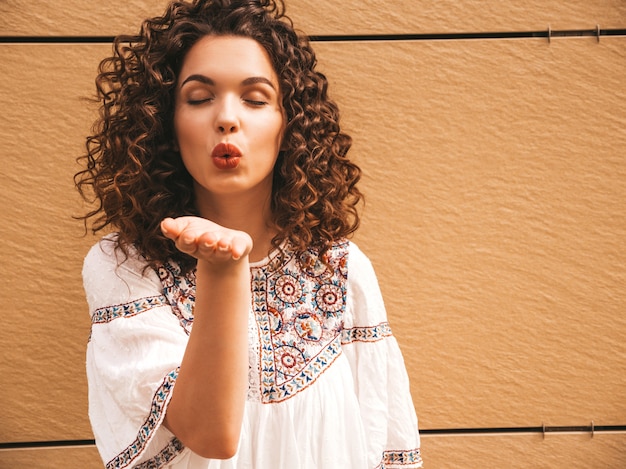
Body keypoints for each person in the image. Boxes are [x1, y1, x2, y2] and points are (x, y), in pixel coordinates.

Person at [75, 0, 422, 467]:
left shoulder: (341, 268)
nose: (227, 118)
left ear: (289, 124)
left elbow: (387, 445)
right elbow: (210, 435)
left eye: (255, 99)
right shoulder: (125, 267)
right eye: (199, 98)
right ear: (165, 123)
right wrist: (221, 267)